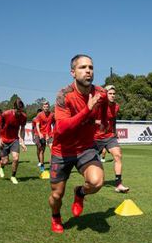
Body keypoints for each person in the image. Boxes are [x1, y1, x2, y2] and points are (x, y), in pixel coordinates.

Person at [48, 54, 108, 233]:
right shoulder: (64, 95)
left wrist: (103, 121)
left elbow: (105, 105)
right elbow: (61, 128)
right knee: (57, 195)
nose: (88, 71)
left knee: (97, 182)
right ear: (73, 72)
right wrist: (87, 110)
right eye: (83, 67)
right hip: (62, 150)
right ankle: (56, 217)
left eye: (90, 67)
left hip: (85, 148)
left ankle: (80, 192)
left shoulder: (100, 93)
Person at [94, 85, 129, 193]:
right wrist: (96, 122)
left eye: (114, 94)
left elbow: (113, 121)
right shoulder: (98, 105)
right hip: (96, 137)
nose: (113, 96)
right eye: (110, 93)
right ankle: (91, 180)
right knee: (92, 162)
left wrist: (115, 132)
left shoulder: (116, 107)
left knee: (118, 155)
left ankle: (118, 184)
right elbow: (87, 118)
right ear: (105, 94)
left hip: (110, 136)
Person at [0, 98, 27, 184]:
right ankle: (1, 167)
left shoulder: (23, 116)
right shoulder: (5, 114)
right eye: (18, 111)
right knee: (5, 161)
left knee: (16, 158)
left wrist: (22, 142)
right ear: (14, 108)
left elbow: (22, 129)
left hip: (14, 139)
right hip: (4, 139)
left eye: (21, 110)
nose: (19, 113)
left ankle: (13, 176)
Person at [35, 101, 55, 176]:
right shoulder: (39, 115)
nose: (46, 108)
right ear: (42, 107)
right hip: (42, 135)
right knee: (42, 151)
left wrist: (55, 131)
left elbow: (55, 123)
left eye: (47, 106)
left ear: (49, 107)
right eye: (44, 107)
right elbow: (37, 125)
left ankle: (51, 165)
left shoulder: (52, 114)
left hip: (50, 135)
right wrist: (40, 133)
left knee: (53, 150)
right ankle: (42, 165)